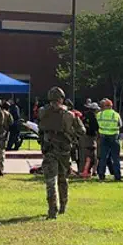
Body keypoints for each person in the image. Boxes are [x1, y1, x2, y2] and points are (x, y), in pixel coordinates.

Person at [38, 87, 86, 219]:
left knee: (50, 180)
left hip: (49, 149)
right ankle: (63, 205)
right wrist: (71, 134)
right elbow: (82, 131)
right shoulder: (70, 115)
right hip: (64, 150)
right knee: (63, 179)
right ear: (62, 98)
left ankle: (52, 209)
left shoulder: (43, 112)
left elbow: (41, 127)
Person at [96, 98, 122, 181]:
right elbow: (120, 125)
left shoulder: (99, 114)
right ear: (111, 106)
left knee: (103, 157)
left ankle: (101, 175)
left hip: (103, 137)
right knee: (115, 158)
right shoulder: (116, 114)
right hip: (114, 137)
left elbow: (97, 124)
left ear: (104, 106)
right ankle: (117, 176)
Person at [79, 100, 100, 178]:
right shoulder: (93, 117)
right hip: (90, 138)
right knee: (91, 156)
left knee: (83, 156)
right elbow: (96, 128)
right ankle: (87, 172)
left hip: (83, 137)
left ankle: (82, 171)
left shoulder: (84, 115)